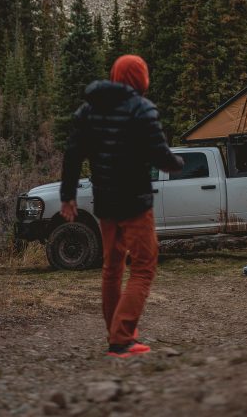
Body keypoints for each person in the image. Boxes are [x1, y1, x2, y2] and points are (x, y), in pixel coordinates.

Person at [60, 54, 184, 359]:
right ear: (140, 78)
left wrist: (68, 195)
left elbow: (73, 154)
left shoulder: (88, 111)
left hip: (105, 202)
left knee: (112, 268)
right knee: (143, 267)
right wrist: (177, 163)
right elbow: (159, 155)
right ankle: (122, 338)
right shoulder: (142, 110)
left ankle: (116, 332)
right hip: (135, 202)